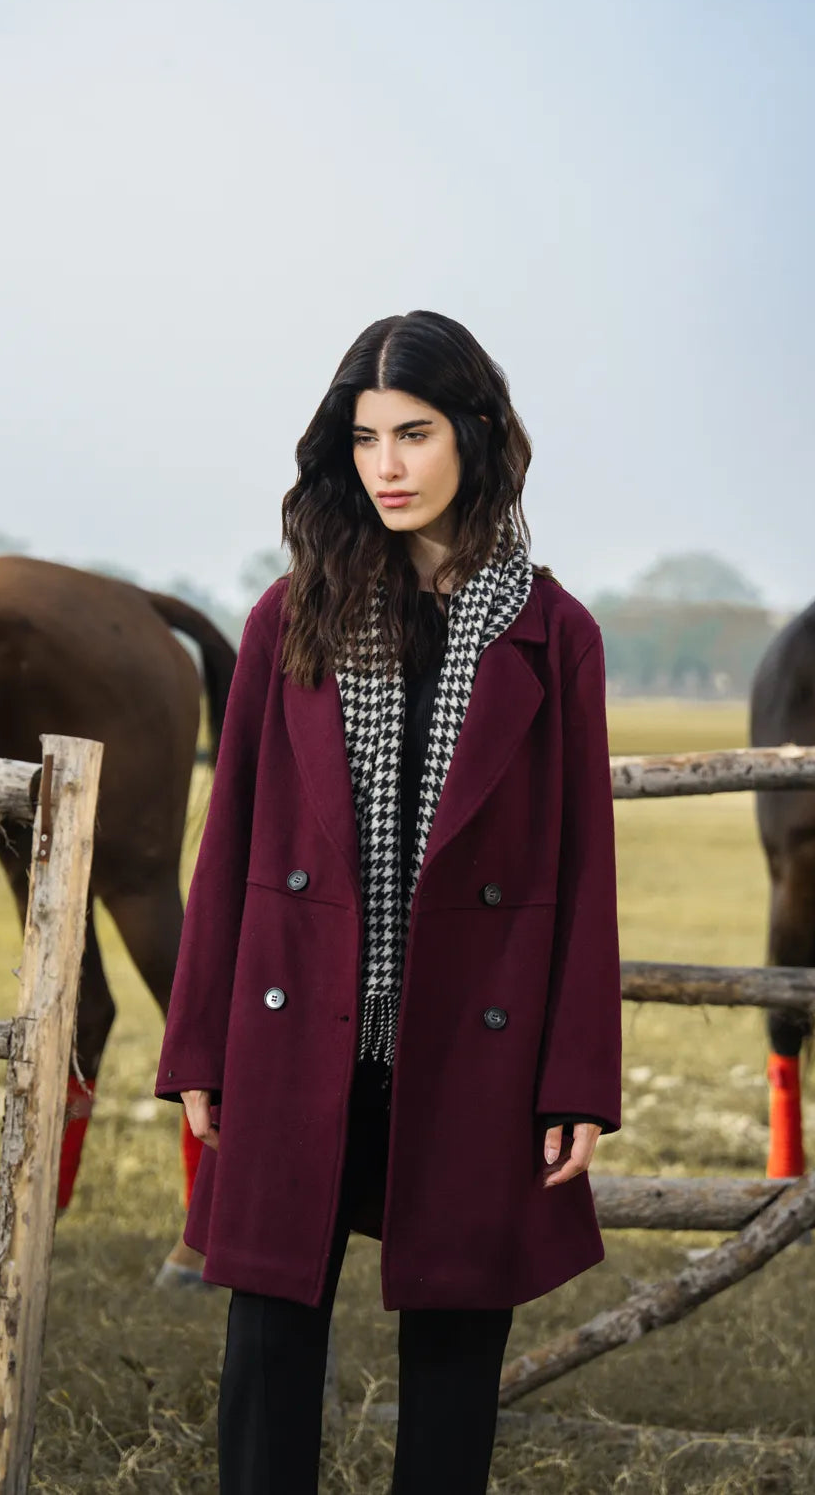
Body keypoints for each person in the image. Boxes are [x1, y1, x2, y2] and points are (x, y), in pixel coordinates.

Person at [155, 309, 622, 1495]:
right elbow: (229, 840)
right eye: (366, 439)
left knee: (456, 1349)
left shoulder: (554, 633)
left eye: (414, 434)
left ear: (474, 434)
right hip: (296, 1028)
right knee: (267, 1345)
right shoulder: (289, 617)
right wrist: (198, 1042)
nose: (388, 466)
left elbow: (584, 872)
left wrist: (576, 1080)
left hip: (468, 1044)